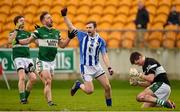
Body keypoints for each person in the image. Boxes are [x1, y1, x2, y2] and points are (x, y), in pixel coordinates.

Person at [16, 12, 76, 106]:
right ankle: (50, 102)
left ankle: (29, 99)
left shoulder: (56, 32)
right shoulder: (39, 31)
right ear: (43, 21)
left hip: (52, 61)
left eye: (51, 17)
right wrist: (18, 41)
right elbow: (28, 40)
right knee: (48, 81)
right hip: (42, 61)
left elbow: (62, 45)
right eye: (48, 18)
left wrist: (69, 38)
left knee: (48, 82)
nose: (51, 19)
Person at [61, 8, 114, 106]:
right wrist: (64, 16)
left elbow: (104, 55)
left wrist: (109, 67)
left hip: (97, 67)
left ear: (95, 28)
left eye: (90, 28)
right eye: (87, 28)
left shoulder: (101, 41)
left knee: (108, 87)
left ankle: (109, 107)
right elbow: (71, 27)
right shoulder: (82, 36)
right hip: (86, 67)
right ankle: (78, 85)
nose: (88, 29)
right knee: (89, 91)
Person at [8, 15, 37, 104]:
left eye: (24, 20)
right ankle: (22, 99)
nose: (23, 22)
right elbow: (10, 41)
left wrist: (37, 33)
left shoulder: (27, 33)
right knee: (22, 77)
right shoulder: (13, 32)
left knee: (33, 78)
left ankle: (25, 98)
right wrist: (16, 29)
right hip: (18, 58)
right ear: (16, 22)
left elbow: (36, 42)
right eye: (21, 20)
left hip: (27, 58)